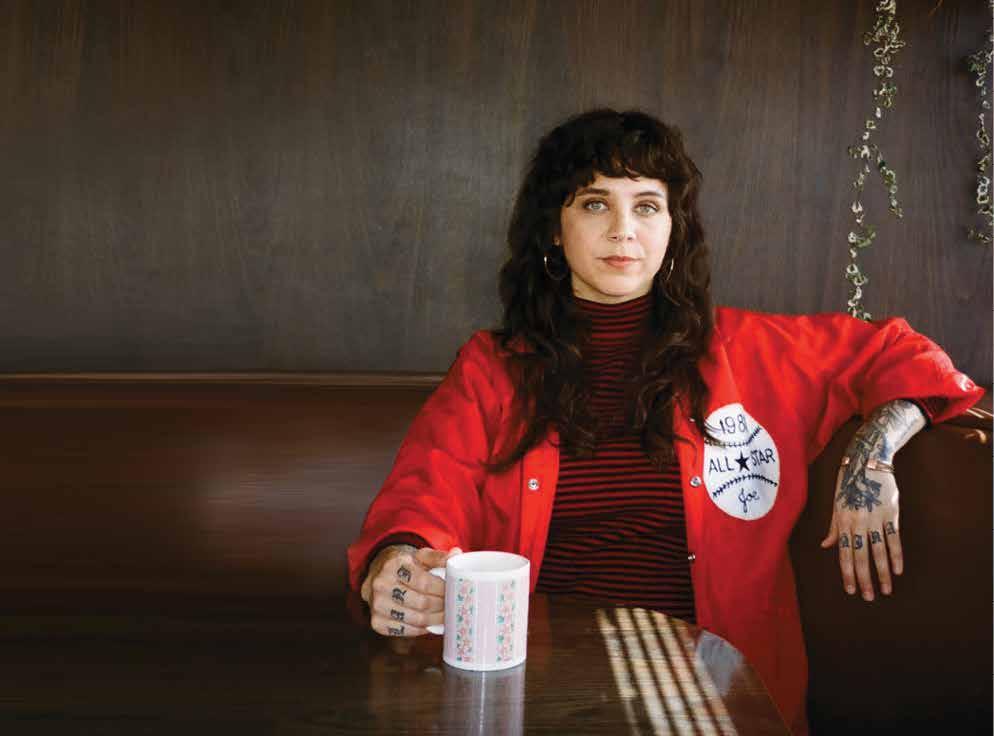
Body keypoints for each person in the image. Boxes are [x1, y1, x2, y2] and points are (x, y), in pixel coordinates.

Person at [345, 108, 983, 734]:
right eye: (595, 203)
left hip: (716, 701)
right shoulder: (492, 369)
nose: (623, 229)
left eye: (647, 206)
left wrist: (873, 454)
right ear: (554, 230)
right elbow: (426, 489)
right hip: (526, 691)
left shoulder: (753, 352)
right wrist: (401, 561)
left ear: (673, 229)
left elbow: (900, 353)